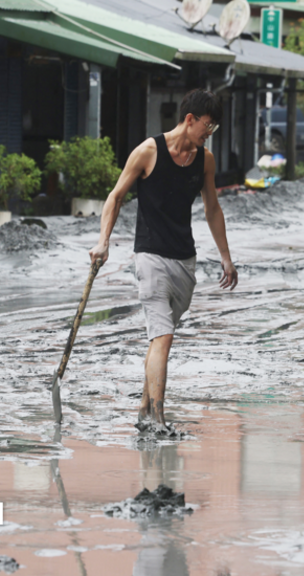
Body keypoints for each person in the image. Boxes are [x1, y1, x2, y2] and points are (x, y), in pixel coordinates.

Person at [87, 89, 238, 430]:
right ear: (189, 119)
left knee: (161, 337)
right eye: (207, 126)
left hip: (184, 260)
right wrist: (103, 242)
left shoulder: (205, 160)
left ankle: (144, 410)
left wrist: (226, 258)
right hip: (150, 255)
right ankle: (158, 419)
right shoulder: (148, 151)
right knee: (164, 336)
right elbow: (116, 197)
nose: (209, 133)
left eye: (214, 128)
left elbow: (213, 208)